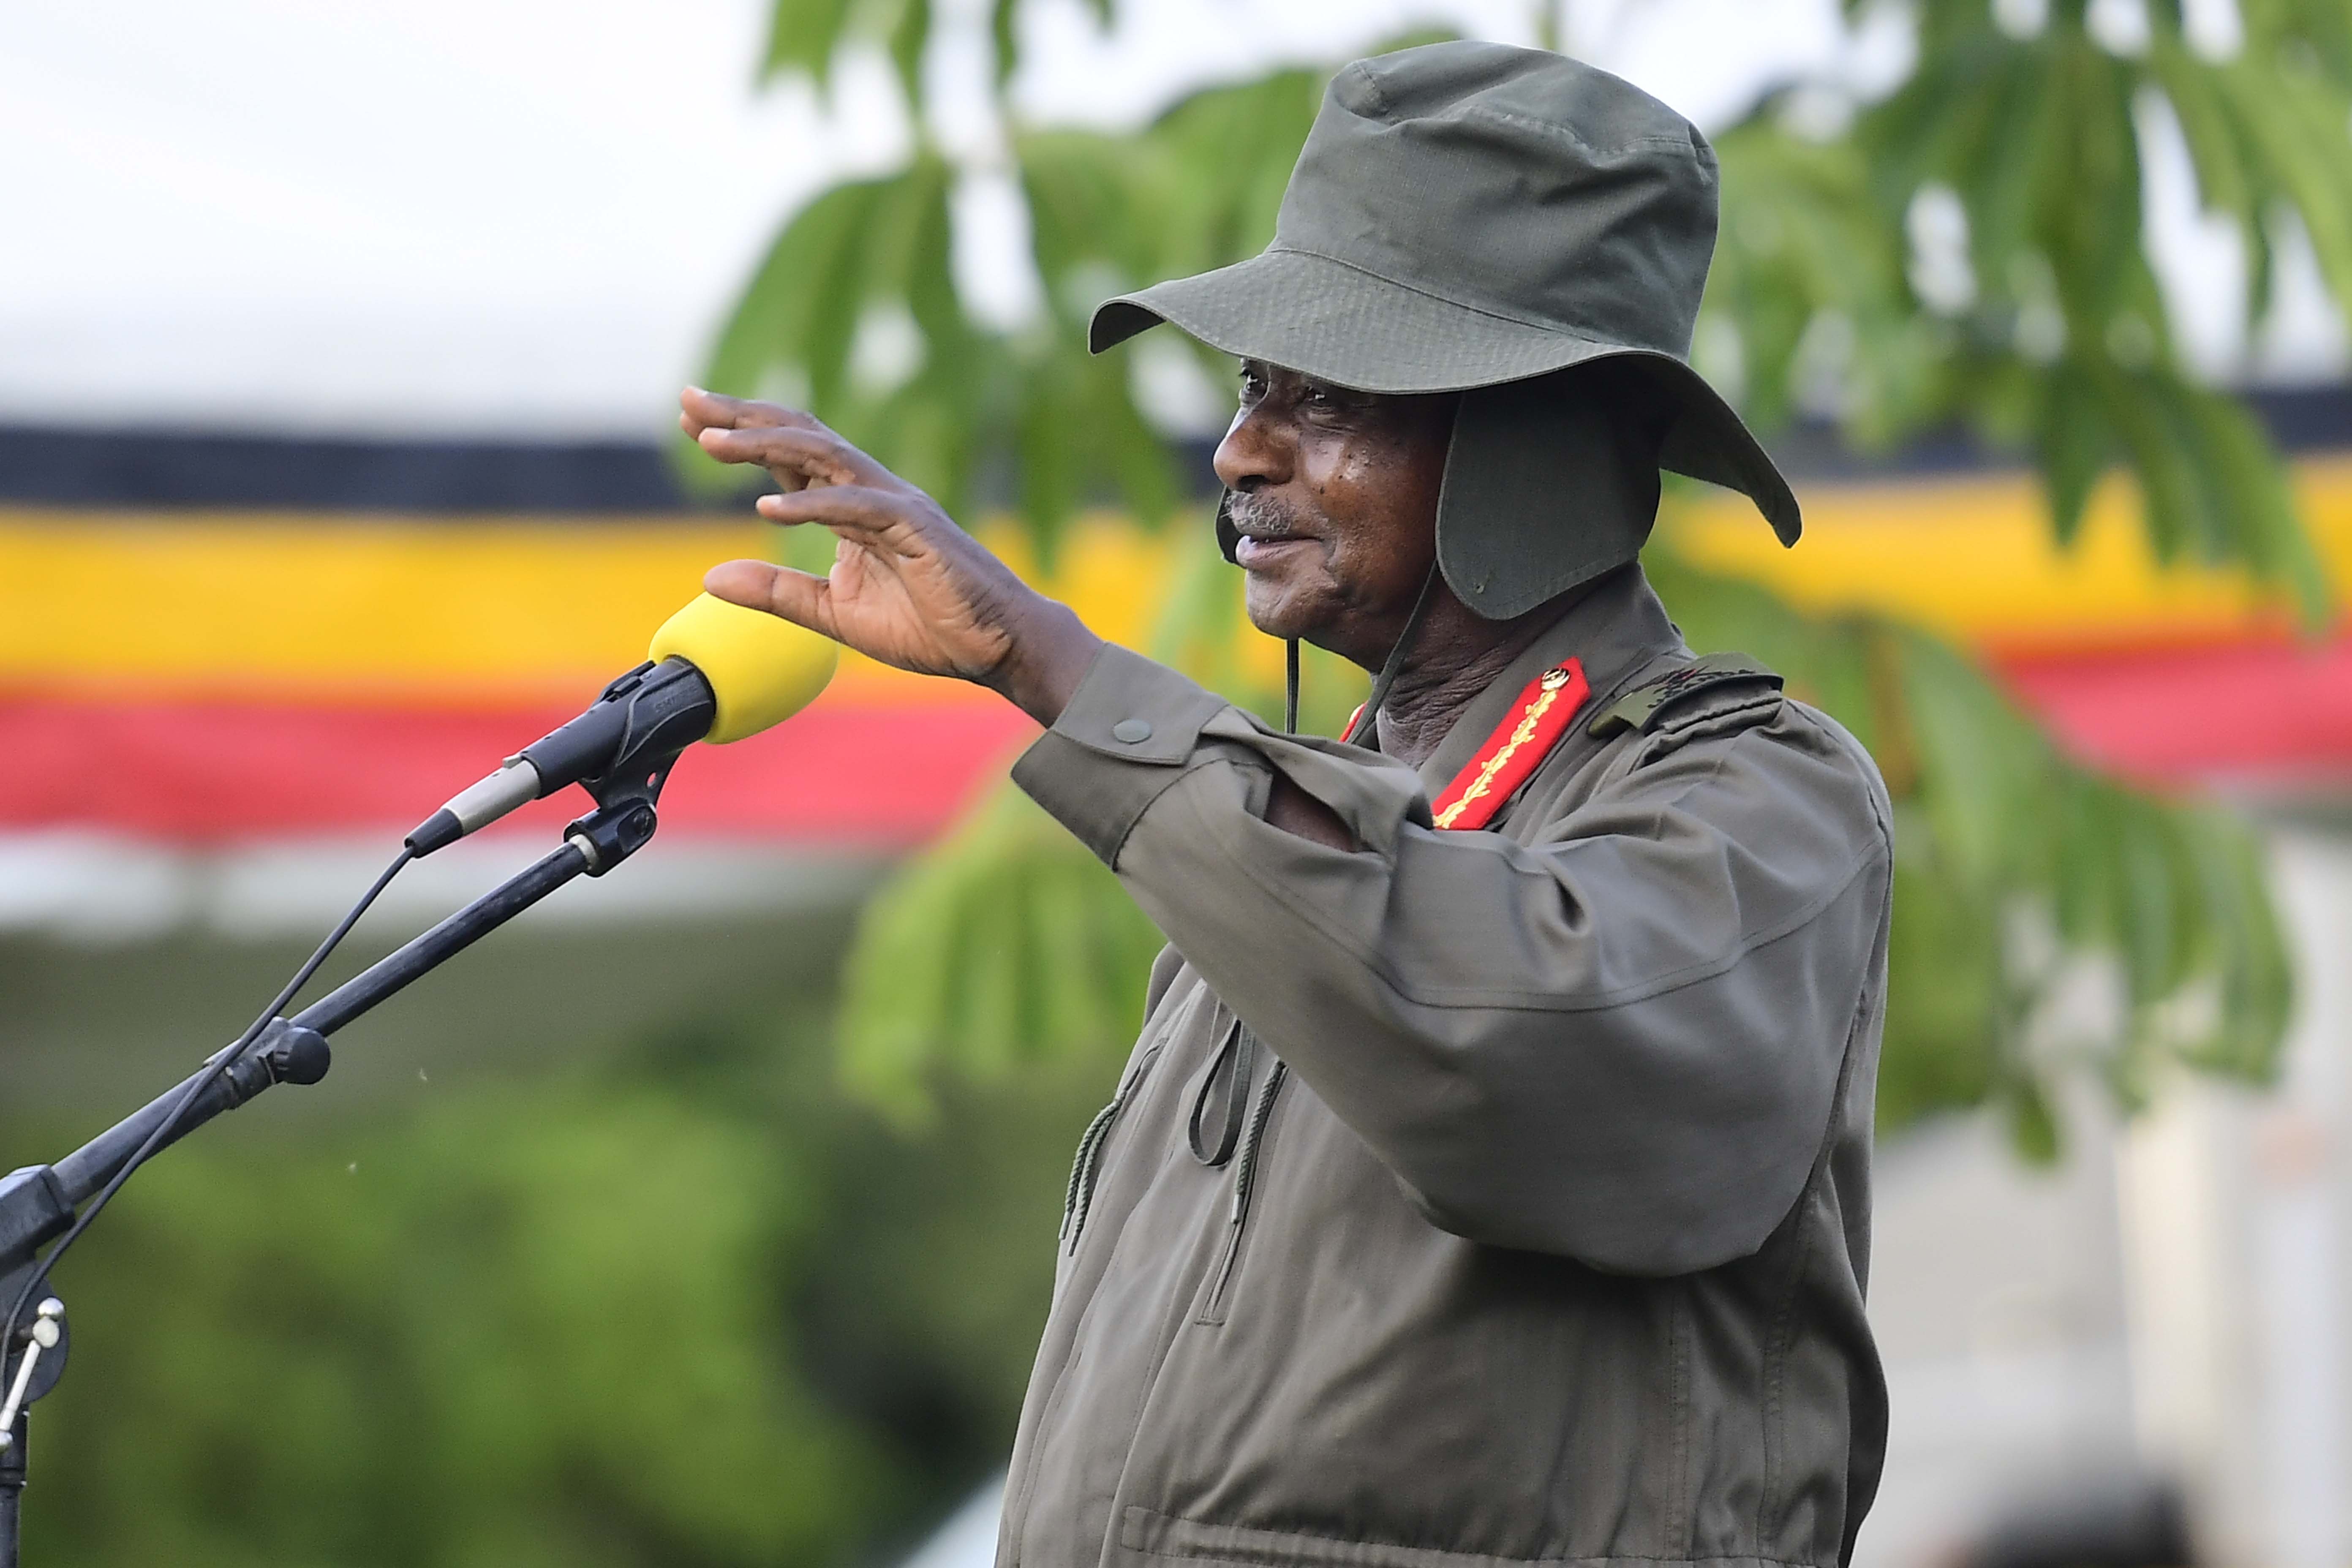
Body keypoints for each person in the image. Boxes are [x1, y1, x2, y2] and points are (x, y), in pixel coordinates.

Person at [687, 39, 1892, 1568]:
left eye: (1327, 399)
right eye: (1256, 387)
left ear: (1535, 443)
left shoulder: (1755, 797)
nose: (1239, 451)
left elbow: (1514, 1045)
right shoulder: (1284, 817)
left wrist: (1066, 673)